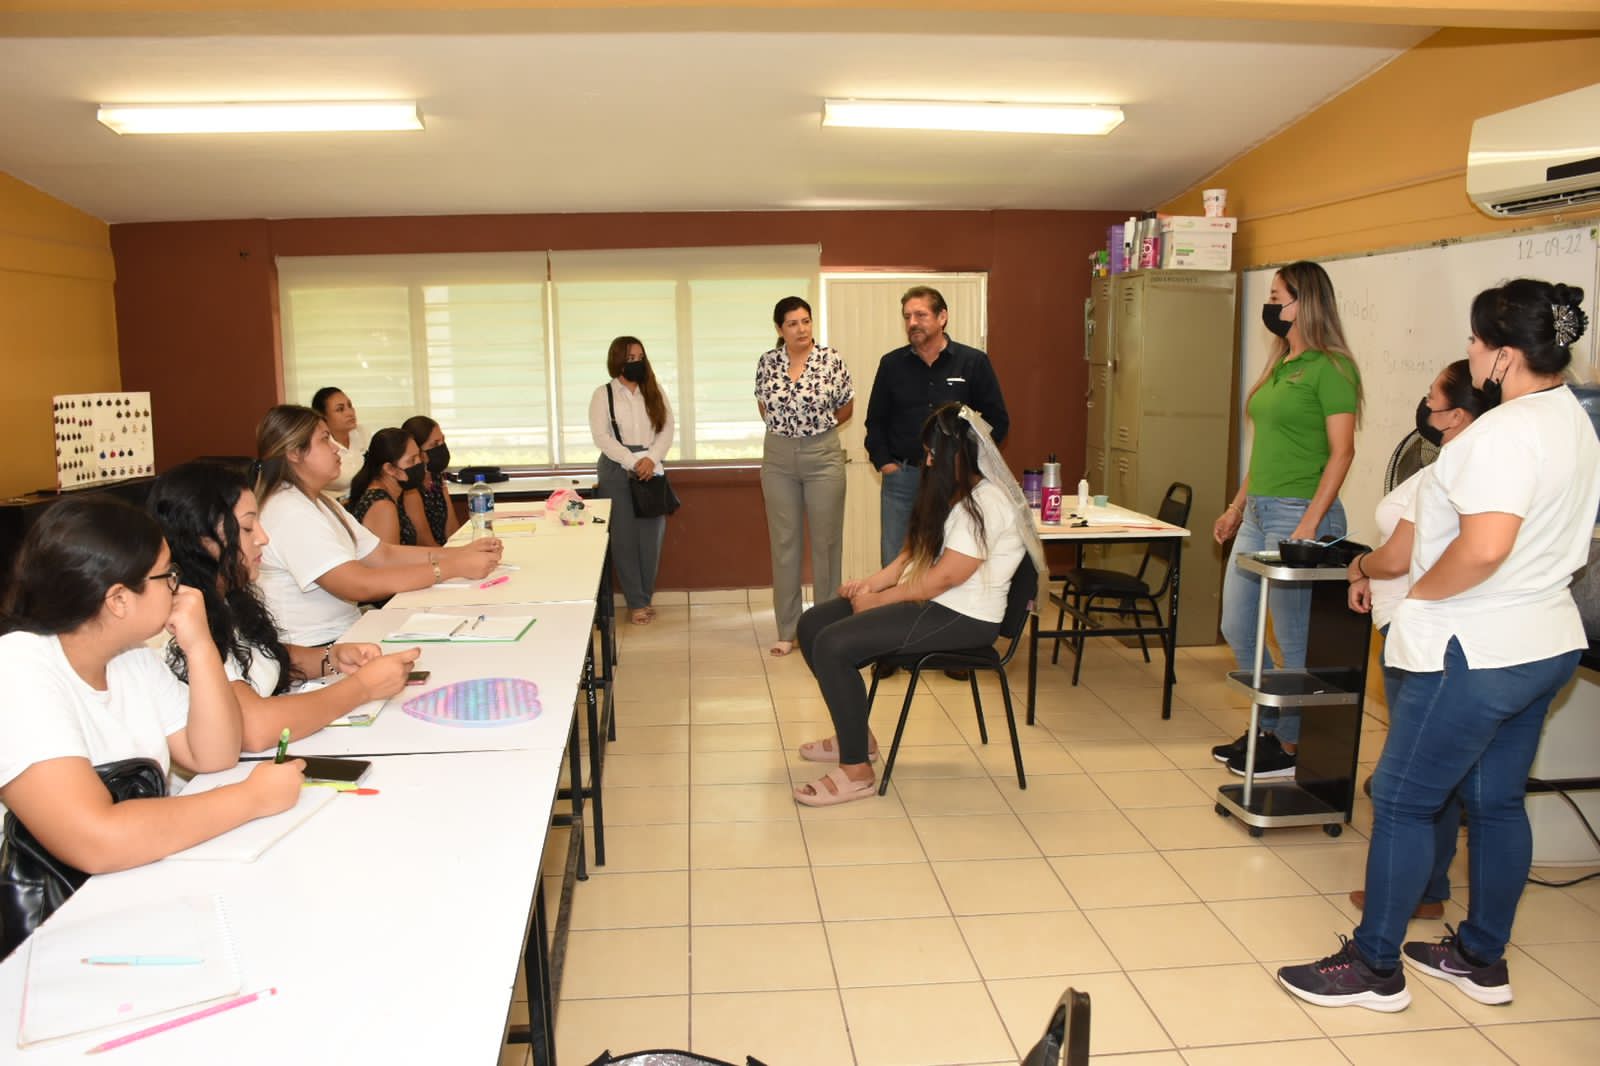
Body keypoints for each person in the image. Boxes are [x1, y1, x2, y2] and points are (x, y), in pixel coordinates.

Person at [1278, 280, 1599, 1014]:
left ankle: (1374, 967)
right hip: (1543, 640)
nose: (1471, 352)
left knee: (1402, 799)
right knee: (1494, 801)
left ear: (1506, 356)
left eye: (1477, 342)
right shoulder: (1574, 419)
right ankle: (1481, 958)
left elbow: (1483, 549)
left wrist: (1424, 595)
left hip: (1477, 648)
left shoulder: (1502, 432)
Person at [0, 497, 304, 897]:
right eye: (167, 576)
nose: (180, 588)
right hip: (55, 916)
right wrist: (251, 798)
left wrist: (199, 647)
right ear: (119, 599)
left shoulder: (130, 657)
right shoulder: (18, 668)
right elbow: (96, 839)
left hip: (134, 881)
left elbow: (213, 754)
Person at [792, 404, 1043, 807]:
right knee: (813, 625)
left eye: (932, 453)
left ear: (957, 455)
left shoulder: (988, 503)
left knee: (833, 645)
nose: (926, 460)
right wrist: (867, 586)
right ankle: (858, 735)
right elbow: (911, 555)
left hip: (965, 618)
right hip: (938, 603)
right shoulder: (954, 493)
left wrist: (879, 602)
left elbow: (944, 578)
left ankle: (857, 772)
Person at [1344, 360, 1489, 921]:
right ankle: (1427, 886)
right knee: (1432, 770)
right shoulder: (1449, 463)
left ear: (1457, 413)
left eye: (1432, 398)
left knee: (1413, 778)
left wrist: (1360, 564)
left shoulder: (1452, 472)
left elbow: (1399, 556)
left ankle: (1418, 894)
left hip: (1423, 631)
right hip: (1404, 621)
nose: (1423, 406)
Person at [148, 461, 420, 753]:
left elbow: (258, 657)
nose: (263, 538)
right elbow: (254, 727)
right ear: (202, 539)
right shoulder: (182, 619)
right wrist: (362, 688)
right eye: (248, 527)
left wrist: (331, 658)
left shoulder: (225, 595)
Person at [1211, 261, 1361, 780]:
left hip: (1301, 514)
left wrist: (1309, 527)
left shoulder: (1333, 368)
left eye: (1278, 296)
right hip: (1259, 511)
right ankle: (1274, 721)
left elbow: (1342, 453)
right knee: (1237, 622)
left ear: (1304, 303)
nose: (1271, 305)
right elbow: (1267, 450)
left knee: (1295, 639)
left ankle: (1291, 744)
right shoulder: (1280, 364)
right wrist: (1235, 506)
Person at [253, 405, 502, 646]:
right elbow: (357, 584)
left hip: (345, 634)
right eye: (325, 440)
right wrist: (452, 566)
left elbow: (382, 554)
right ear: (295, 453)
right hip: (317, 647)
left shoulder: (320, 501)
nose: (336, 449)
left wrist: (462, 553)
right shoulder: (289, 510)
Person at [865, 286, 1009, 567]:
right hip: (902, 478)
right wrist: (886, 464)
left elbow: (997, 421)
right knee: (895, 558)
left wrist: (971, 464)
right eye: (907, 316)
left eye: (920, 315)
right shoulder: (892, 364)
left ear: (942, 317)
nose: (912, 323)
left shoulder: (973, 362)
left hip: (953, 482)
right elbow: (875, 421)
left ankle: (936, 612)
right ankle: (894, 611)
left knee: (947, 558)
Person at [757, 296, 854, 657]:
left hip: (823, 455)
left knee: (826, 544)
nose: (802, 329)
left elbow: (847, 407)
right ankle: (788, 629)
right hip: (779, 456)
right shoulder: (767, 363)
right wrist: (790, 431)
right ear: (780, 329)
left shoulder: (831, 360)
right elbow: (764, 407)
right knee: (785, 544)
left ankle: (825, 629)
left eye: (806, 321)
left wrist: (817, 429)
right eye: (793, 323)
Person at [589, 336, 674, 625]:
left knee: (651, 538)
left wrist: (651, 458)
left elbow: (667, 428)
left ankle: (645, 597)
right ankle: (636, 603)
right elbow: (602, 437)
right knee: (624, 539)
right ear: (617, 361)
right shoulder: (603, 394)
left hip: (653, 466)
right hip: (616, 469)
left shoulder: (655, 390)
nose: (636, 362)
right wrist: (633, 461)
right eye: (630, 358)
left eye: (640, 357)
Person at [345, 428, 426, 546]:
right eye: (411, 460)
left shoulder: (392, 495)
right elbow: (389, 562)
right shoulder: (382, 506)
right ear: (389, 469)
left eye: (418, 455)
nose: (419, 462)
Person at [401, 415, 462, 548]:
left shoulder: (436, 477)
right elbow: (424, 541)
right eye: (435, 444)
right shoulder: (410, 487)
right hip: (426, 557)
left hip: (444, 552)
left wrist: (461, 549)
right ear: (417, 450)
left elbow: (452, 527)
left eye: (442, 441)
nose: (442, 447)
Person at [310, 386, 368, 500]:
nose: (350, 413)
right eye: (340, 409)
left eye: (350, 406)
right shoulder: (318, 444)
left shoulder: (363, 432)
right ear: (323, 416)